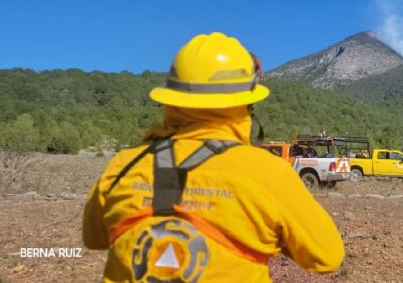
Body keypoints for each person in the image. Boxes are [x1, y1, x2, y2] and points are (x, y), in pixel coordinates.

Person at [82, 32, 344, 282]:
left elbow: (94, 238)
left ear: (171, 100)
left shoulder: (123, 164)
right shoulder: (269, 174)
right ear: (246, 105)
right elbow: (327, 257)